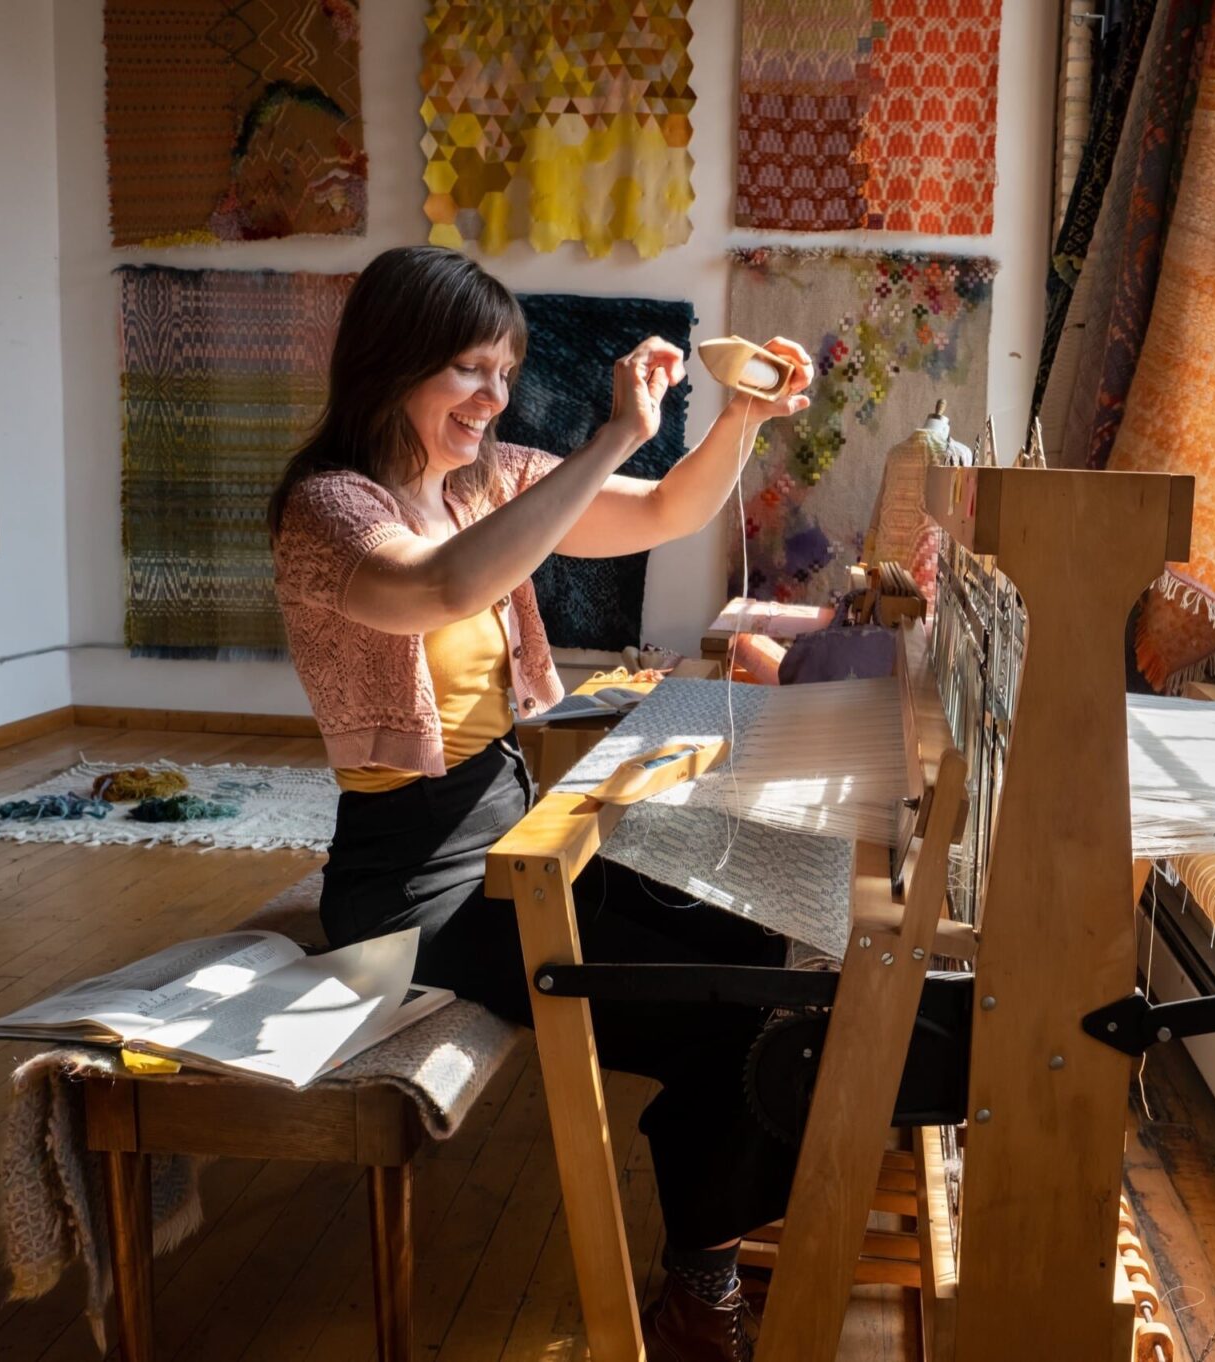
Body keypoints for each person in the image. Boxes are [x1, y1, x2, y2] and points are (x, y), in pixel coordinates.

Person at [269, 245, 814, 1362]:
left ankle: (717, 1235)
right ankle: (701, 1292)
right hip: (411, 892)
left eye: (506, 373)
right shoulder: (327, 510)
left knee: (760, 949)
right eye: (468, 369)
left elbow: (668, 508)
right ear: (392, 362)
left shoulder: (489, 478)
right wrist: (610, 434)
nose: (493, 396)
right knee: (730, 1017)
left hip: (515, 835)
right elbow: (441, 586)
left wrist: (741, 416)